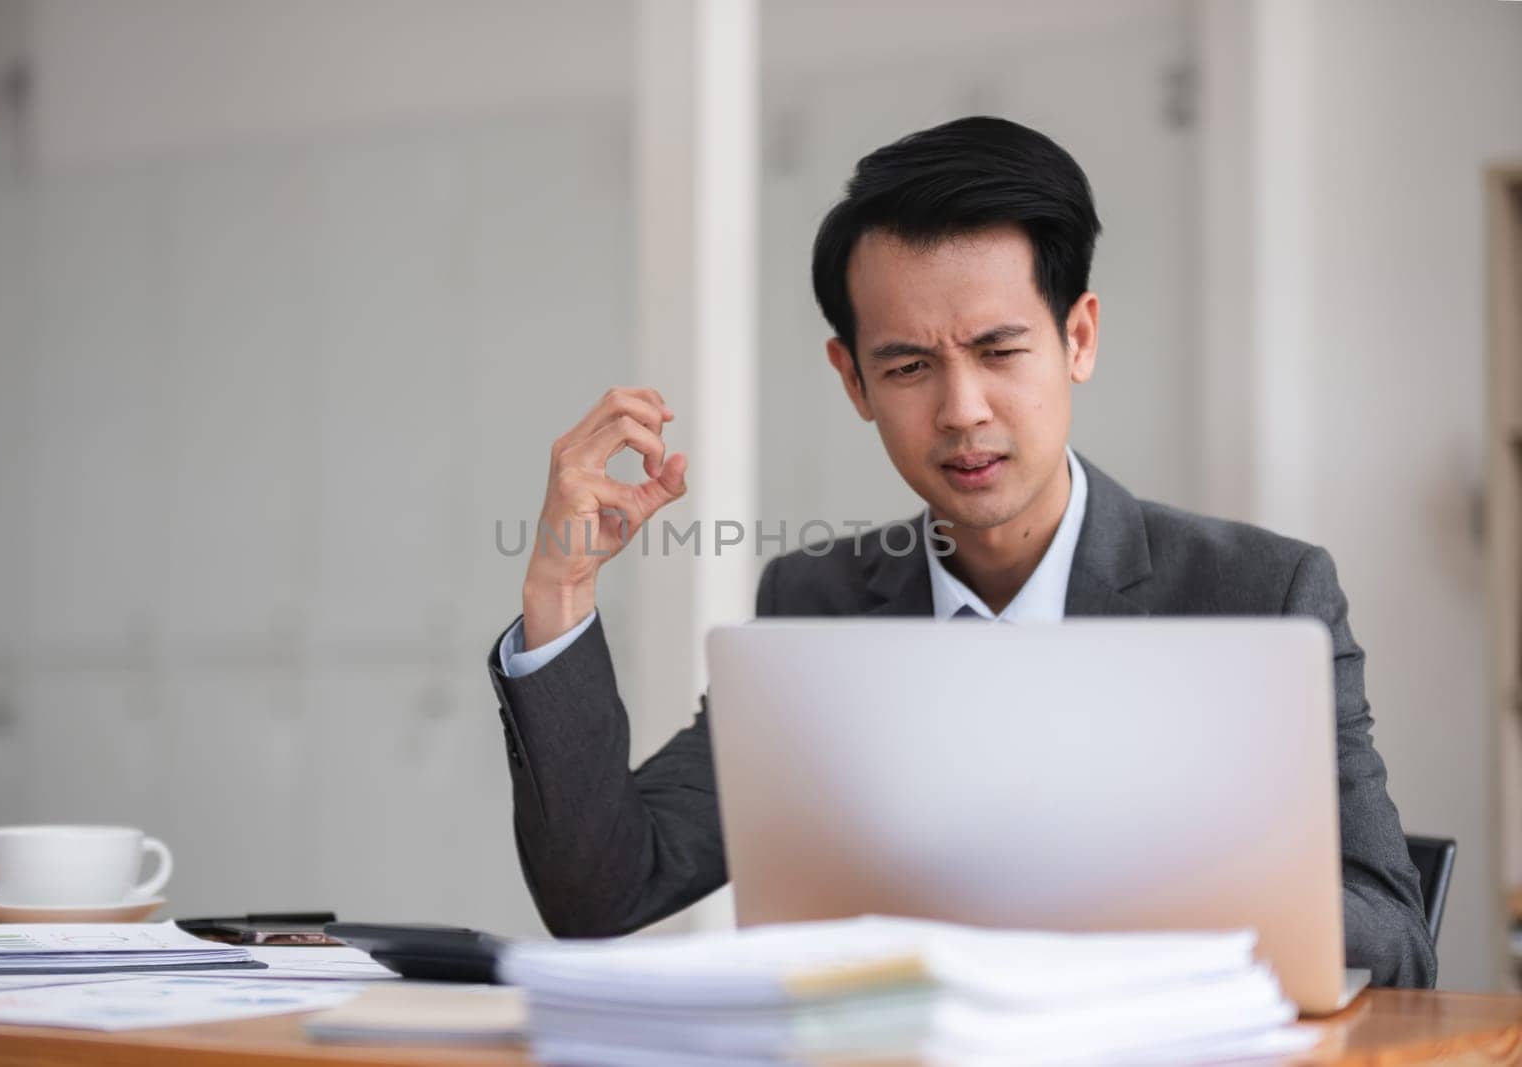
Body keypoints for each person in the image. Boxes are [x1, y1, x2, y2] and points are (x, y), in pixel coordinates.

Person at [484, 116, 1436, 987]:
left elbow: (1396, 942)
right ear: (853, 379)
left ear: (1079, 337)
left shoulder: (1257, 593)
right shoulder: (815, 603)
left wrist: (1116, 877)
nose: (962, 409)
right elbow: (602, 891)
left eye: (1000, 350)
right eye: (908, 366)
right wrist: (559, 588)